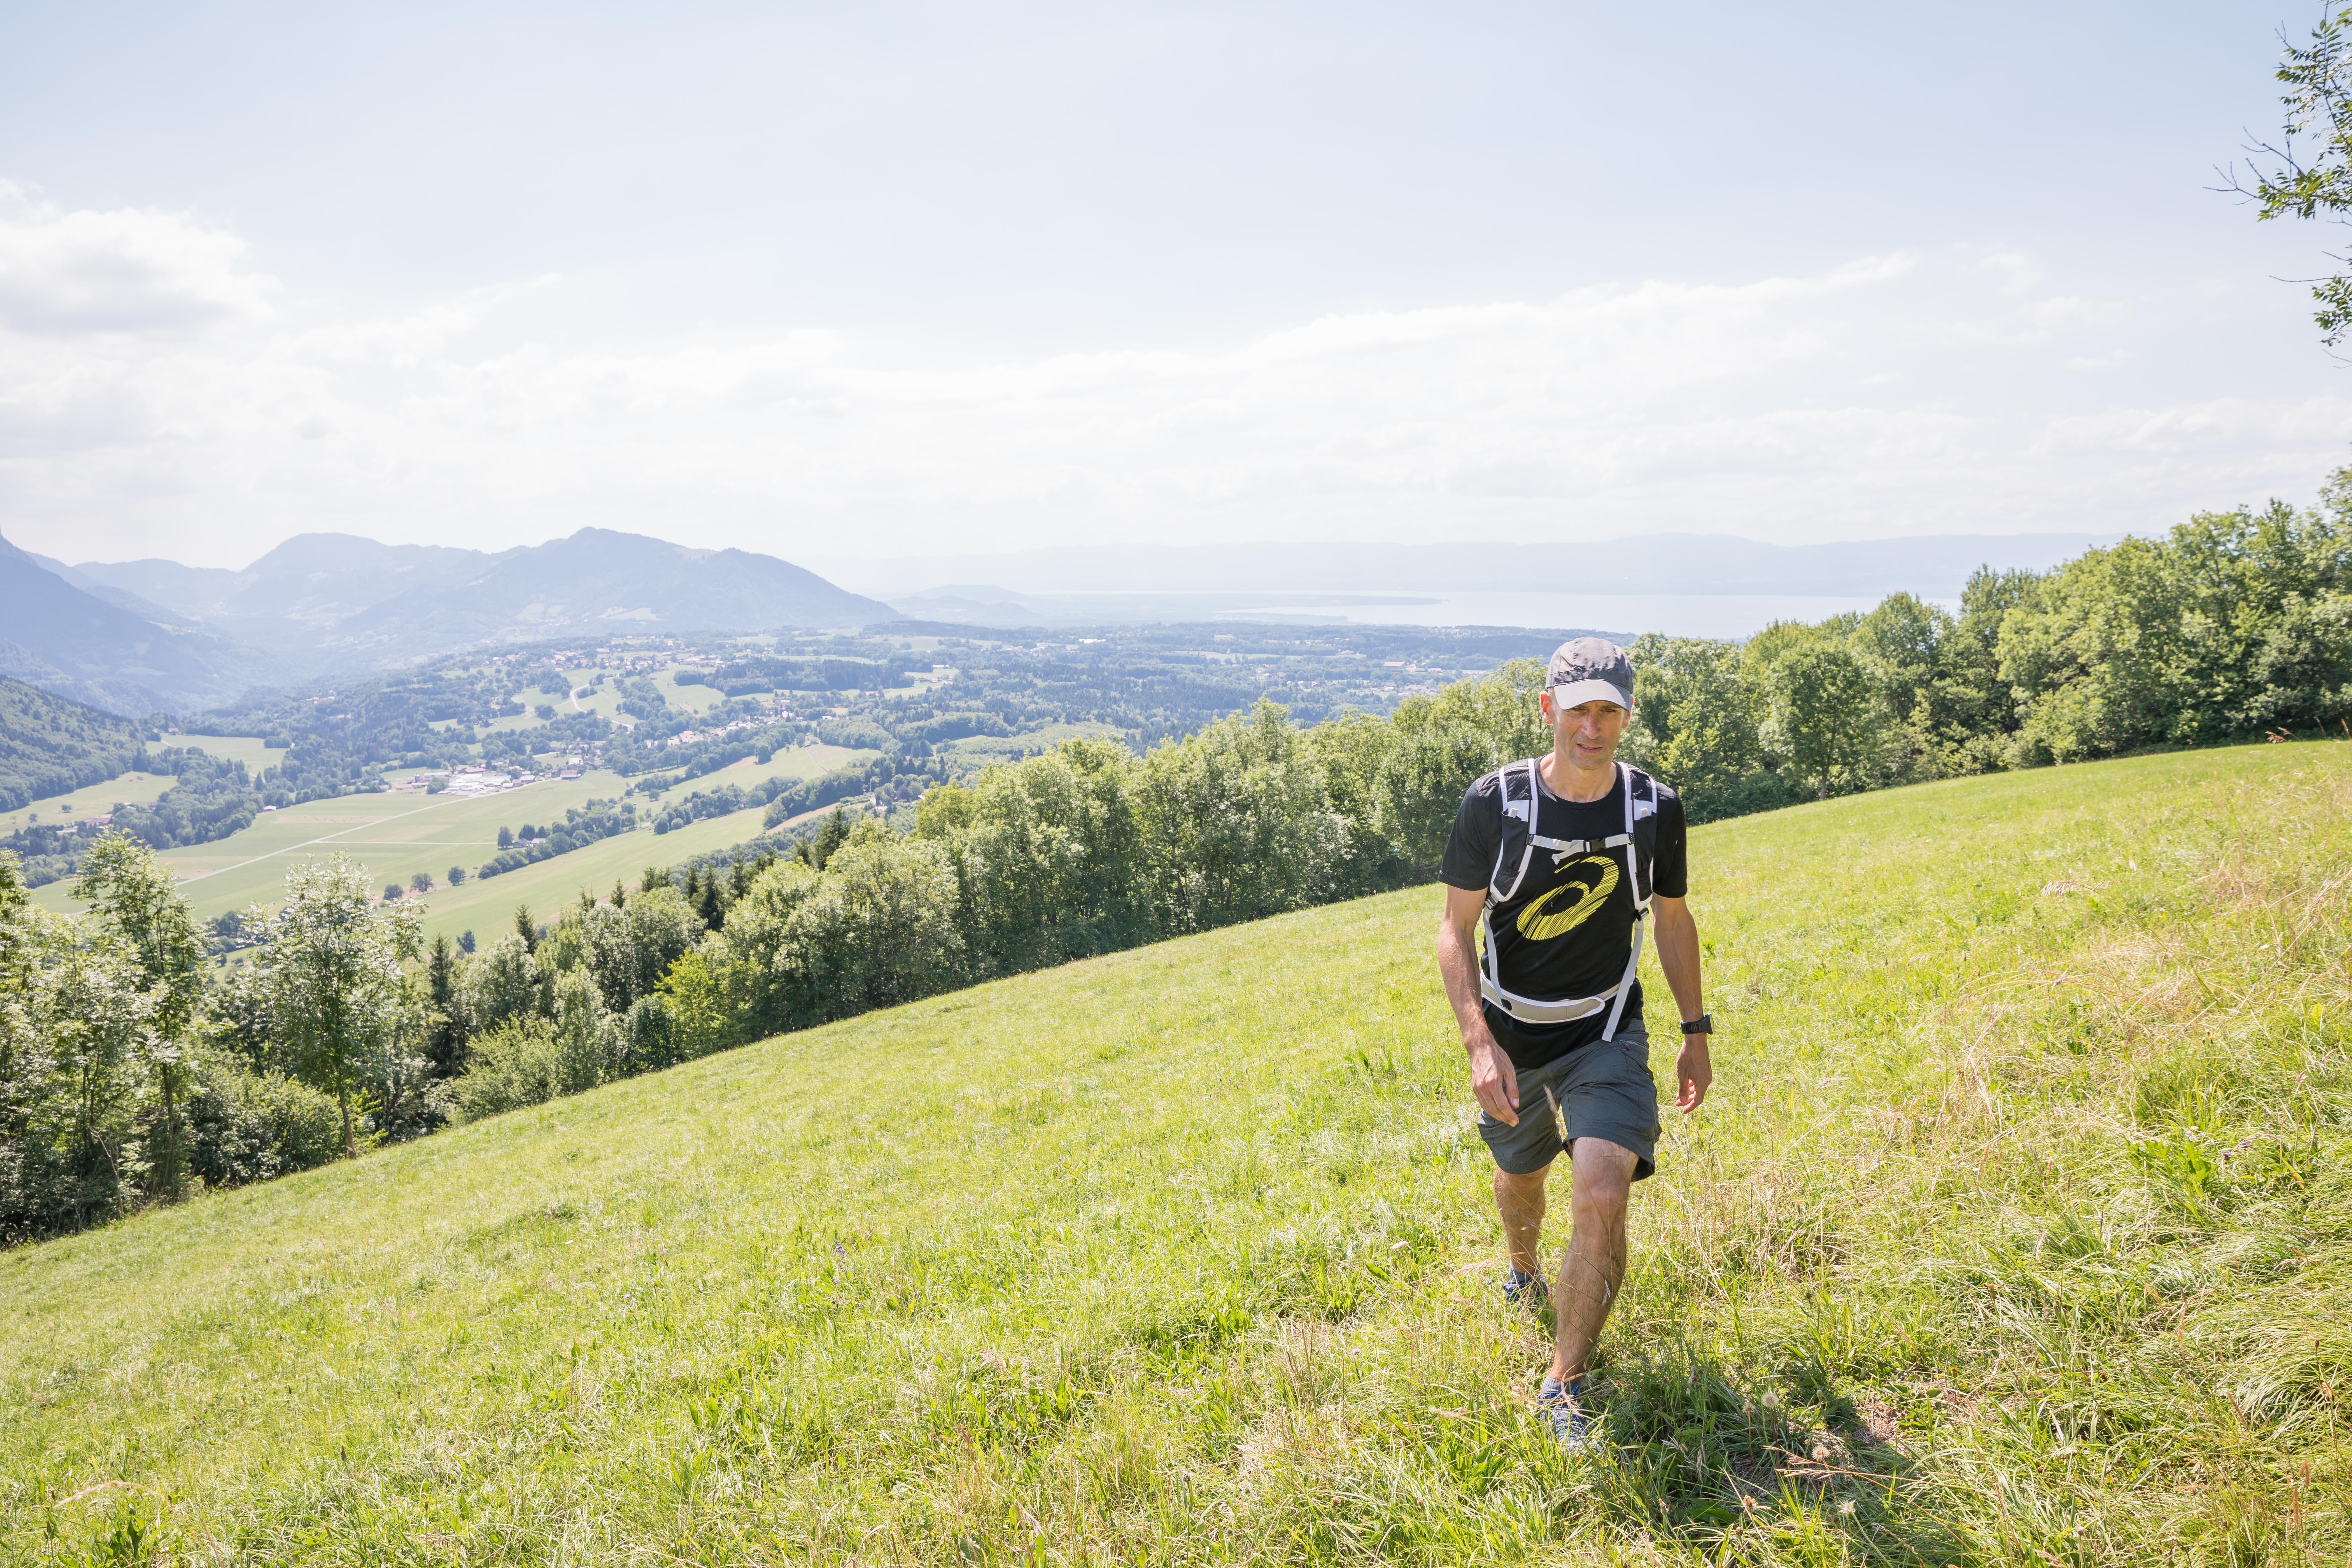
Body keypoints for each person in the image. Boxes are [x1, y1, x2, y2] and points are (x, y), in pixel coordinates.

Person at [1433, 637, 1713, 1449]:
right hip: (1513, 1033)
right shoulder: (1497, 802)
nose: (1594, 726)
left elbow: (1671, 917)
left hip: (1606, 1028)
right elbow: (1453, 930)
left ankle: (1564, 1380)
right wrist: (1478, 1042)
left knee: (1601, 1185)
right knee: (1521, 1176)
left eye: (1610, 709)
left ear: (1628, 715)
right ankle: (1523, 1269)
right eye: (1579, 707)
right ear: (1548, 708)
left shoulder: (1654, 808)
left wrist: (1696, 1031)